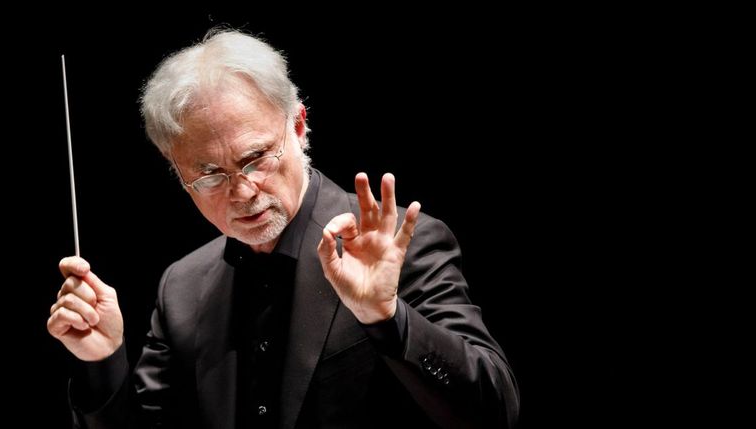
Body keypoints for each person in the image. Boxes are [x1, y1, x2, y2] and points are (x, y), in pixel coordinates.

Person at [48, 28, 519, 428]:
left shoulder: (401, 245)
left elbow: (496, 411)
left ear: (298, 126)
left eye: (256, 158)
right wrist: (102, 361)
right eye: (210, 174)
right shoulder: (181, 288)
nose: (242, 191)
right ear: (176, 170)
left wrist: (388, 319)